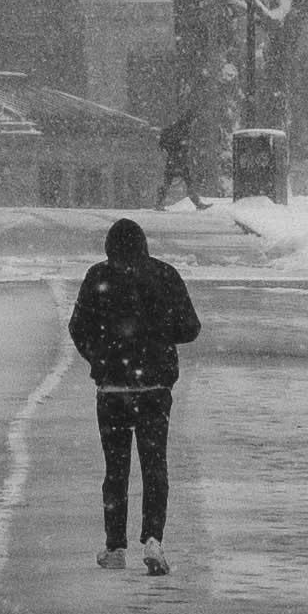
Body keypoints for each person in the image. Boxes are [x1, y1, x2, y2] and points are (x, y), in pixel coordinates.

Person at [67, 214, 201, 574]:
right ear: (144, 245)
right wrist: (157, 336)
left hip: (112, 389)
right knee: (154, 465)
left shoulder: (98, 277)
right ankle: (153, 540)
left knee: (116, 469)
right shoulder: (164, 275)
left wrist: (100, 357)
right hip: (155, 387)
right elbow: (191, 328)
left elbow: (77, 328)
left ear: (109, 248)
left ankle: (114, 548)